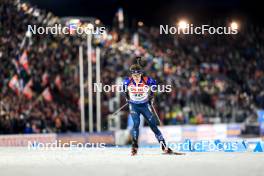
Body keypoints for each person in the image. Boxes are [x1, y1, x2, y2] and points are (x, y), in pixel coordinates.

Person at [123, 63, 173, 155]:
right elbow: (124, 89)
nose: (136, 77)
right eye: (134, 75)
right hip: (134, 106)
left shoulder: (147, 80)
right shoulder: (127, 81)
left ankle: (164, 146)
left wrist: (151, 96)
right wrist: (127, 98)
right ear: (131, 75)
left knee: (153, 126)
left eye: (137, 75)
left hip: (145, 106)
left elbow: (154, 84)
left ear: (141, 74)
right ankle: (134, 147)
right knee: (136, 123)